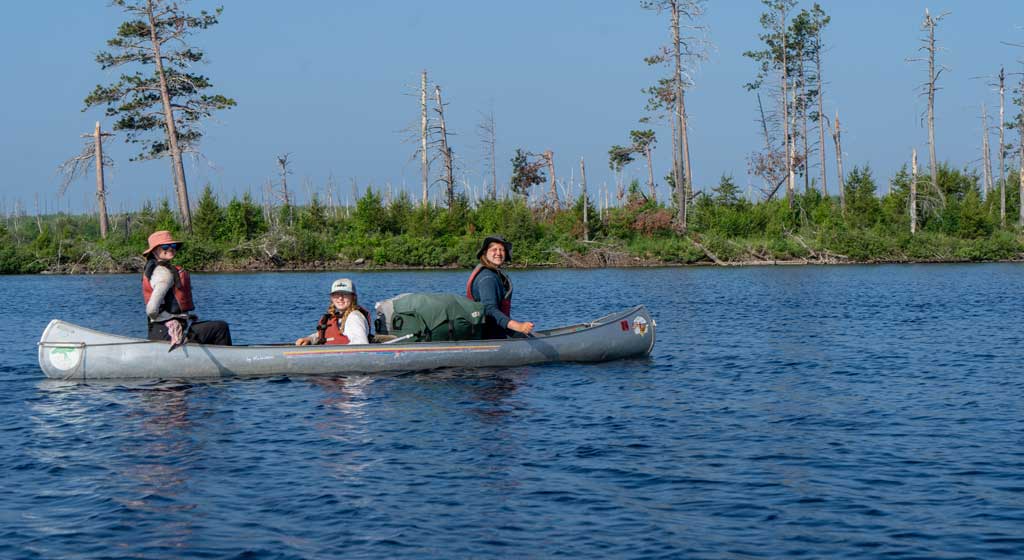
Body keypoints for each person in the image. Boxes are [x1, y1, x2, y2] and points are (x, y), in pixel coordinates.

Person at [142, 230, 232, 346]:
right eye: (165, 246)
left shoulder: (156, 270)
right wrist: (170, 320)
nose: (170, 248)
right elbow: (151, 309)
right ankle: (227, 360)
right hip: (166, 332)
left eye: (173, 245)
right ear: (155, 251)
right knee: (220, 328)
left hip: (158, 331)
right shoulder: (164, 274)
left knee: (210, 328)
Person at [466, 235, 535, 339]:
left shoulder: (492, 273)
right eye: (494, 249)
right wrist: (518, 326)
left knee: (527, 337)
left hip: (496, 329)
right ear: (485, 253)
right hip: (489, 335)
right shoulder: (487, 278)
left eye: (502, 250)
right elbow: (489, 309)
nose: (498, 253)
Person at [295, 278, 371, 346]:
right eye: (336, 295)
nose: (340, 298)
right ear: (331, 298)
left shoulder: (354, 318)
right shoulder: (338, 317)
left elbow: (361, 345)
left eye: (345, 294)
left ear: (353, 297)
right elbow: (326, 335)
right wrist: (310, 339)